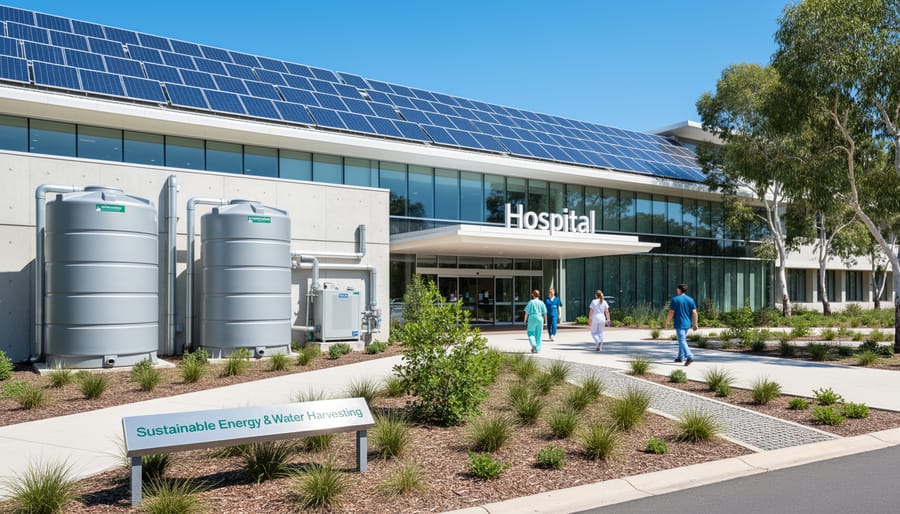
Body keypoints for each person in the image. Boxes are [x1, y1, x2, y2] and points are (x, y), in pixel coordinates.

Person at [665, 283, 699, 366]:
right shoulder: (690, 299)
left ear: (679, 289)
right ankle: (680, 357)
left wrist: (667, 321)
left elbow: (671, 312)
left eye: (677, 289)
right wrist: (695, 324)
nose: (676, 290)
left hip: (679, 323)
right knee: (682, 340)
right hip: (687, 323)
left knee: (682, 340)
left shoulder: (675, 299)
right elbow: (694, 312)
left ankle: (690, 356)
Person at [523, 289, 548, 353]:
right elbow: (545, 313)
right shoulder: (541, 302)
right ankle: (537, 349)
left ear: (532, 295)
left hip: (532, 318)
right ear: (538, 295)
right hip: (540, 318)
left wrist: (525, 320)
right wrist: (546, 322)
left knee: (530, 333)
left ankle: (533, 344)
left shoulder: (531, 302)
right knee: (538, 335)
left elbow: (526, 312)